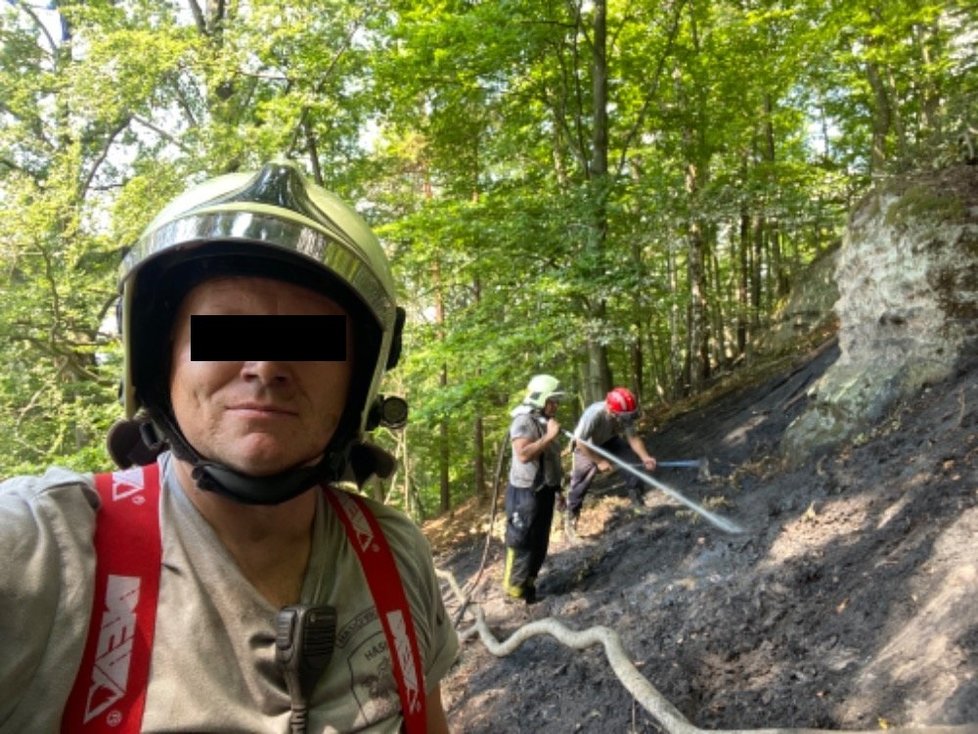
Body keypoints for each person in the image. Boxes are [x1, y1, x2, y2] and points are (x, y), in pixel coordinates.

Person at [0, 161, 458, 733]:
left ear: (359, 378)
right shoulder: (43, 555)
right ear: (159, 359)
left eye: (309, 340)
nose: (266, 366)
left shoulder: (395, 556)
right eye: (225, 330)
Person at [501, 375, 564, 604]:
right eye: (552, 401)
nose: (555, 406)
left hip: (544, 490)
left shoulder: (545, 421)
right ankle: (513, 591)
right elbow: (524, 454)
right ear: (540, 399)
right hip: (524, 493)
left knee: (539, 540)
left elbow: (552, 460)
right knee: (521, 540)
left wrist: (558, 490)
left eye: (557, 401)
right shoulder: (523, 421)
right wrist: (548, 437)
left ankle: (529, 584)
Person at [564, 387, 656, 540]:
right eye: (623, 417)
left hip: (609, 440)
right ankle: (571, 520)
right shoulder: (593, 415)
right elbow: (580, 443)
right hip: (586, 445)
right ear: (611, 410)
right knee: (581, 482)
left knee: (631, 463)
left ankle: (638, 503)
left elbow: (633, 438)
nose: (626, 420)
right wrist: (599, 461)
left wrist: (645, 457)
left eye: (628, 416)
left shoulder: (623, 414)